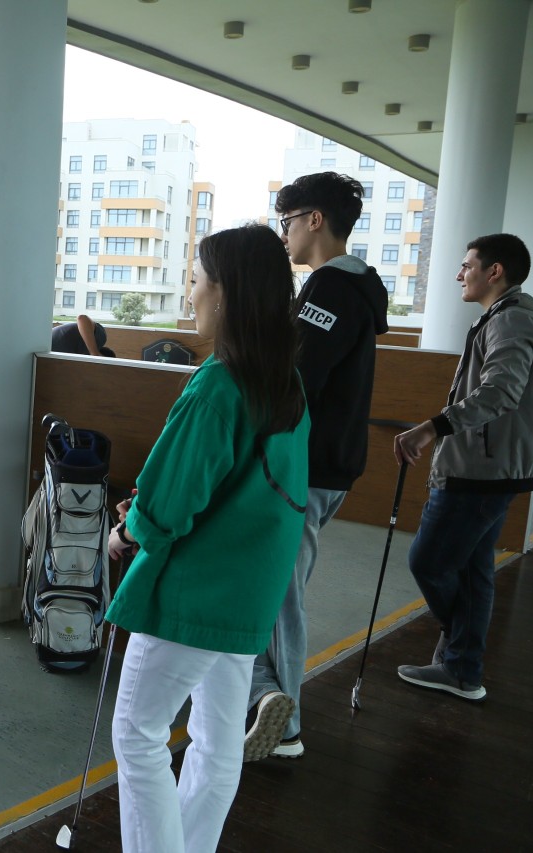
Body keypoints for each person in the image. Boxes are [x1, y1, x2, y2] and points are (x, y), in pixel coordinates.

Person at [105, 224, 309, 853]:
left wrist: (125, 530)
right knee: (218, 744)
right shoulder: (286, 383)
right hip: (249, 593)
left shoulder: (218, 385)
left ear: (226, 294)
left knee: (138, 733)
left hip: (194, 597)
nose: (190, 294)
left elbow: (166, 506)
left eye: (196, 280)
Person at [245, 172, 388, 761]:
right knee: (273, 586)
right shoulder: (350, 288)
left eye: (286, 220)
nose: (283, 234)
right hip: (327, 466)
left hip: (306, 467)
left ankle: (287, 720)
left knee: (281, 594)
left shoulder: (329, 290)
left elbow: (295, 383)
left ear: (314, 220)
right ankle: (262, 697)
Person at [394, 234, 533, 700]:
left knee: (427, 561)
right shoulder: (512, 317)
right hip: (494, 465)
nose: (458, 273)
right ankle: (462, 671)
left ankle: (460, 650)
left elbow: (501, 392)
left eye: (466, 265)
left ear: (495, 271)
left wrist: (431, 428)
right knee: (472, 569)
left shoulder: (513, 321)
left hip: (482, 469)